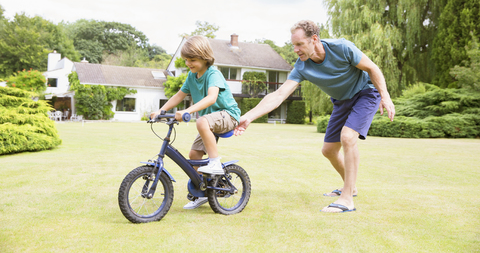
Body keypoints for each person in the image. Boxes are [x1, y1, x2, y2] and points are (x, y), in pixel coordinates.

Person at [234, 20, 395, 213]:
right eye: (293, 45)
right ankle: (350, 187)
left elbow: (372, 68)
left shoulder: (342, 48)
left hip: (365, 92)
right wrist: (249, 116)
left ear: (314, 39)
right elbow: (278, 95)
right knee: (328, 150)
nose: (295, 50)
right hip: (341, 100)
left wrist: (385, 96)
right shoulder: (302, 67)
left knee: (347, 137)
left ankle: (346, 200)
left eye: (300, 44)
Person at [151, 35, 241, 210]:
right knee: (194, 155)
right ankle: (202, 192)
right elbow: (179, 95)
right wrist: (162, 111)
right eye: (186, 60)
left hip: (228, 116)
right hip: (209, 121)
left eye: (192, 60)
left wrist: (187, 111)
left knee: (201, 121)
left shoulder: (213, 73)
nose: (188, 64)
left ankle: (214, 162)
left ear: (205, 57)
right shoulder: (192, 76)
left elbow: (211, 97)